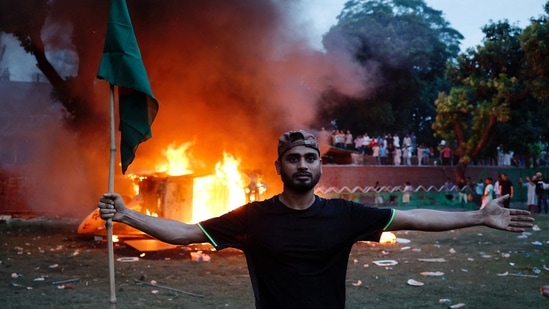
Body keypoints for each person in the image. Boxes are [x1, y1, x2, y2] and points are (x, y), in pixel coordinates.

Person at [98, 130, 534, 309]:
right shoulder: (253, 217)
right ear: (279, 167)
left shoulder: (345, 215)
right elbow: (187, 234)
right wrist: (128, 214)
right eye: (293, 159)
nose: (303, 164)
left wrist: (477, 216)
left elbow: (415, 219)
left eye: (311, 157)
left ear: (321, 167)